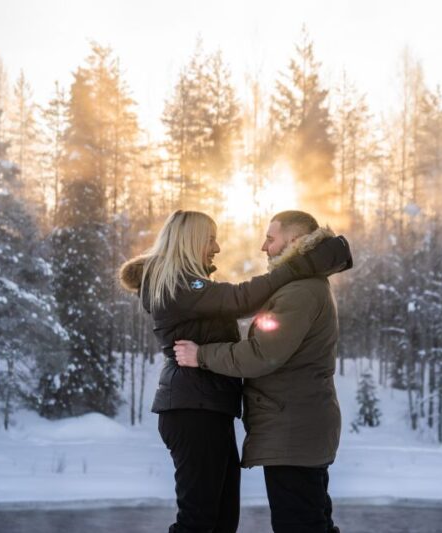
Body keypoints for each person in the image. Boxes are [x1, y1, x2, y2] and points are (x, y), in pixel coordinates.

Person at [118, 209, 351, 533]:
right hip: (193, 409)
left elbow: (258, 341)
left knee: (222, 520)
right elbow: (240, 301)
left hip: (211, 408)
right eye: (210, 240)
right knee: (200, 521)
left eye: (270, 239)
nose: (216, 248)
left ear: (295, 241)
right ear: (191, 241)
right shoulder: (177, 284)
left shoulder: (191, 284)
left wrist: (205, 355)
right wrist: (299, 265)